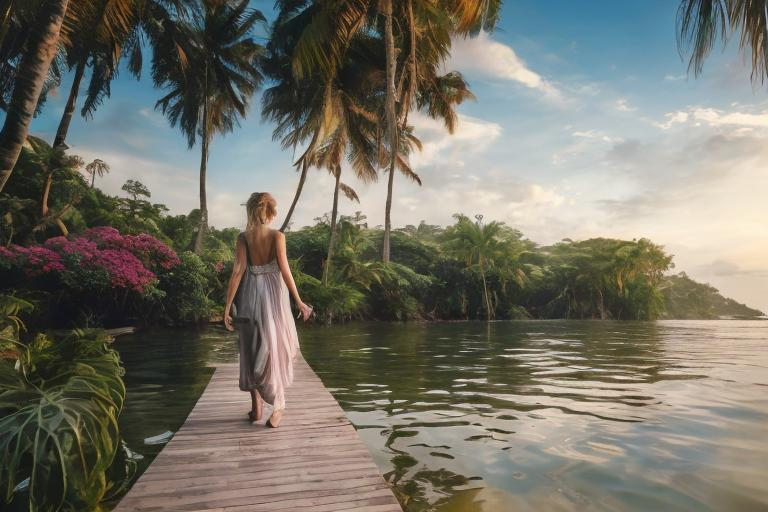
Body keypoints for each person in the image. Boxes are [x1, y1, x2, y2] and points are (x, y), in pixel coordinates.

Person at [223, 192, 313, 428]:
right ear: (272, 212)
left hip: (250, 295)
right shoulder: (277, 236)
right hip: (273, 297)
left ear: (251, 211)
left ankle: (257, 407)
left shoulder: (243, 237)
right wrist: (299, 301)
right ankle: (277, 405)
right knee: (273, 347)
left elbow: (237, 272)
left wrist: (226, 306)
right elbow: (285, 270)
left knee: (251, 345)